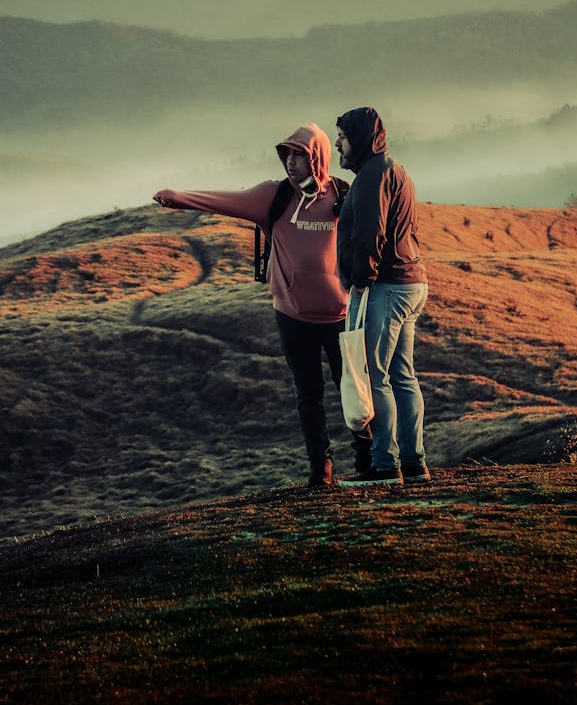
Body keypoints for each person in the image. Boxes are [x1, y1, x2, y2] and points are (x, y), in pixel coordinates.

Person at [153, 123, 372, 487]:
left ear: (316, 158)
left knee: (352, 387)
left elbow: (374, 226)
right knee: (309, 393)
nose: (291, 162)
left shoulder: (343, 194)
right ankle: (322, 467)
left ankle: (366, 453)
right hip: (292, 316)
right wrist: (179, 197)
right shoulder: (274, 196)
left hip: (340, 315)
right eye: (288, 154)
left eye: (299, 155)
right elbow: (224, 201)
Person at [334, 106, 430, 486]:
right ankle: (413, 462)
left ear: (357, 139)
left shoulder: (373, 175)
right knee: (403, 375)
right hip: (411, 283)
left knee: (378, 376)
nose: (338, 145)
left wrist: (362, 276)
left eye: (341, 137)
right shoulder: (393, 170)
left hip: (387, 286)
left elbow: (371, 232)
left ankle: (385, 465)